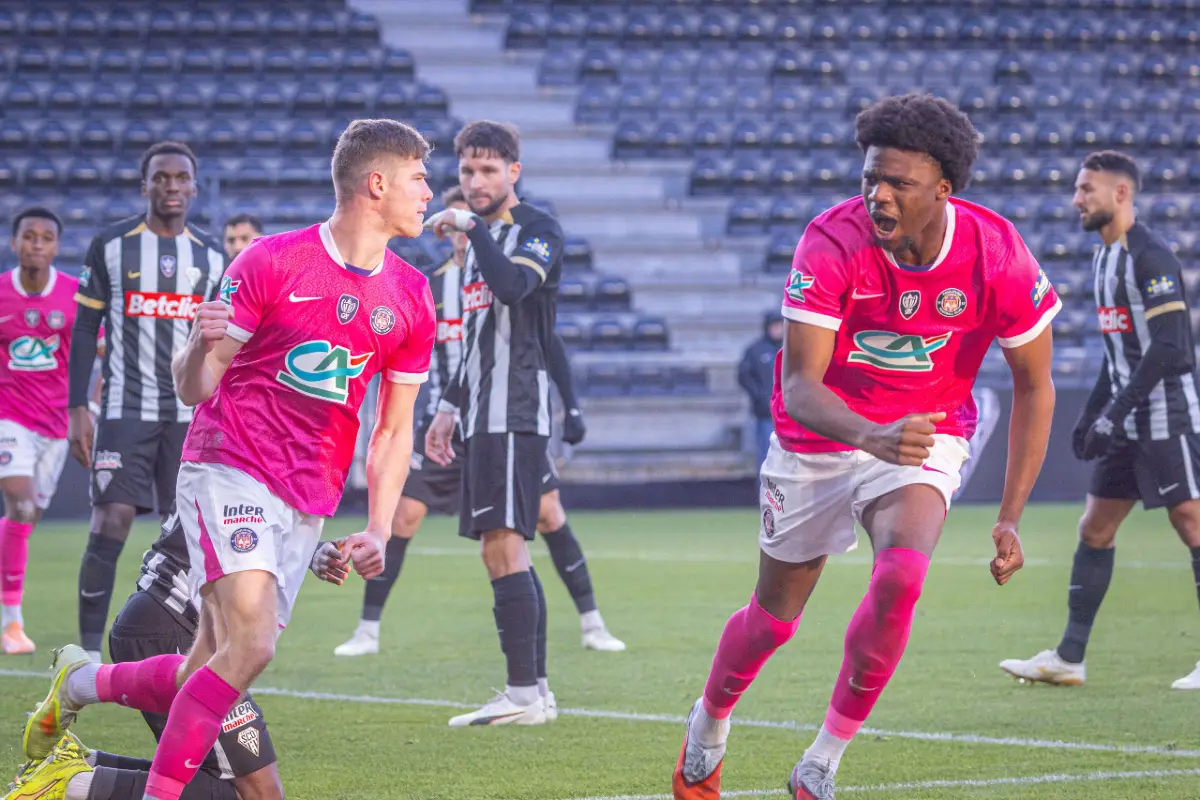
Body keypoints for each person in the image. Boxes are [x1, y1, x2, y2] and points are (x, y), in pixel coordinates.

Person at [22, 118, 437, 800]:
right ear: (377, 183)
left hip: (308, 497)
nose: (429, 192)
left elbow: (392, 433)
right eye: (419, 178)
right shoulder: (272, 261)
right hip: (230, 462)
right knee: (251, 647)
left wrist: (379, 527)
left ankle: (80, 684)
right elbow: (196, 386)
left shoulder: (411, 298)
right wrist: (193, 343)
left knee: (206, 668)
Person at [670, 93, 1060, 800]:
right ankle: (710, 720)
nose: (877, 196)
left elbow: (1035, 385)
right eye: (869, 179)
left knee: (902, 578)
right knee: (772, 622)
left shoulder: (996, 252)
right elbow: (799, 386)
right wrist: (870, 435)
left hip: (925, 434)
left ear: (944, 189)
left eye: (898, 184)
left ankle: (823, 758)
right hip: (818, 441)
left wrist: (1011, 516)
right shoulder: (831, 240)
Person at [335, 186, 623, 658]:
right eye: (455, 220)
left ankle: (592, 623)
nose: (462, 230)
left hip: (503, 414)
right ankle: (367, 630)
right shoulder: (431, 285)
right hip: (444, 421)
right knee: (403, 516)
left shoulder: (510, 278)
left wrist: (570, 405)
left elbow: (549, 342)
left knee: (549, 516)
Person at [1000, 151, 1200, 691]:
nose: (1077, 199)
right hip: (1127, 418)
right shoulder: (1103, 259)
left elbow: (1171, 350)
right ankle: (1069, 658)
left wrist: (1114, 413)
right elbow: (1119, 356)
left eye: (1087, 189)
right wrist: (1093, 415)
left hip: (1165, 417)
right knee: (1095, 527)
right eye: (1077, 189)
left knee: (1191, 521)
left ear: (1121, 194)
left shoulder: (1150, 257)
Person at [4, 511, 344, 800]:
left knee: (225, 783)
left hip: (173, 620)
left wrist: (309, 552)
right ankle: (72, 782)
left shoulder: (253, 455)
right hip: (178, 623)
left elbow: (251, 523)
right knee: (252, 791)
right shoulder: (255, 447)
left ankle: (80, 755)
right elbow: (234, 518)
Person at [422, 120, 569, 726]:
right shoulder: (482, 244)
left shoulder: (537, 229)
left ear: (514, 171)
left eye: (488, 170)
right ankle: (535, 690)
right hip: (482, 413)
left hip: (515, 413)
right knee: (507, 551)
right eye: (466, 171)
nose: (476, 181)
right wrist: (447, 410)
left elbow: (511, 290)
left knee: (502, 547)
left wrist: (471, 227)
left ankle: (523, 696)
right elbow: (482, 334)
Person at [68, 141, 228, 662]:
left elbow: (222, 339)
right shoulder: (111, 245)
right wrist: (77, 408)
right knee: (111, 517)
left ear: (194, 188)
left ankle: (195, 644)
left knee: (185, 533)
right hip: (123, 411)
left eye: (181, 178)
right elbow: (86, 324)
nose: (172, 187)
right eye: (161, 178)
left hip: (187, 417)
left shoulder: (210, 256)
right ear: (146, 186)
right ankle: (88, 651)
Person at [0, 207, 77, 654]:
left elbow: (95, 350)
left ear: (55, 247)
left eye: (45, 238)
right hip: (10, 420)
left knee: (25, 520)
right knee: (22, 507)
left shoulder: (71, 294)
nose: (36, 244)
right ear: (15, 243)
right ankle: (13, 623)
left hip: (55, 424)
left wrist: (89, 405)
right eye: (28, 236)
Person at [739, 310, 785, 468]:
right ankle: (765, 491)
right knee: (766, 456)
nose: (778, 329)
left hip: (790, 414)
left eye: (780, 326)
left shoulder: (791, 349)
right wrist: (759, 397)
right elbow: (744, 376)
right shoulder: (755, 350)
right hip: (766, 413)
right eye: (774, 326)